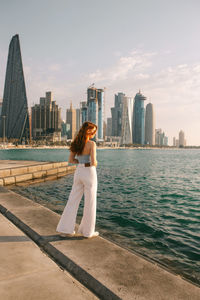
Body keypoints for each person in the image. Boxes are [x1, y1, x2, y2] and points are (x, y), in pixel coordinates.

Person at [56, 121, 99, 238]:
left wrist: (80, 162)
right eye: (94, 130)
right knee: (90, 202)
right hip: (89, 172)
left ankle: (65, 230)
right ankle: (88, 232)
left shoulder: (76, 143)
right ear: (89, 131)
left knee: (73, 200)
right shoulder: (91, 144)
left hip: (79, 171)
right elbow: (94, 162)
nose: (95, 133)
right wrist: (95, 162)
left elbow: (71, 160)